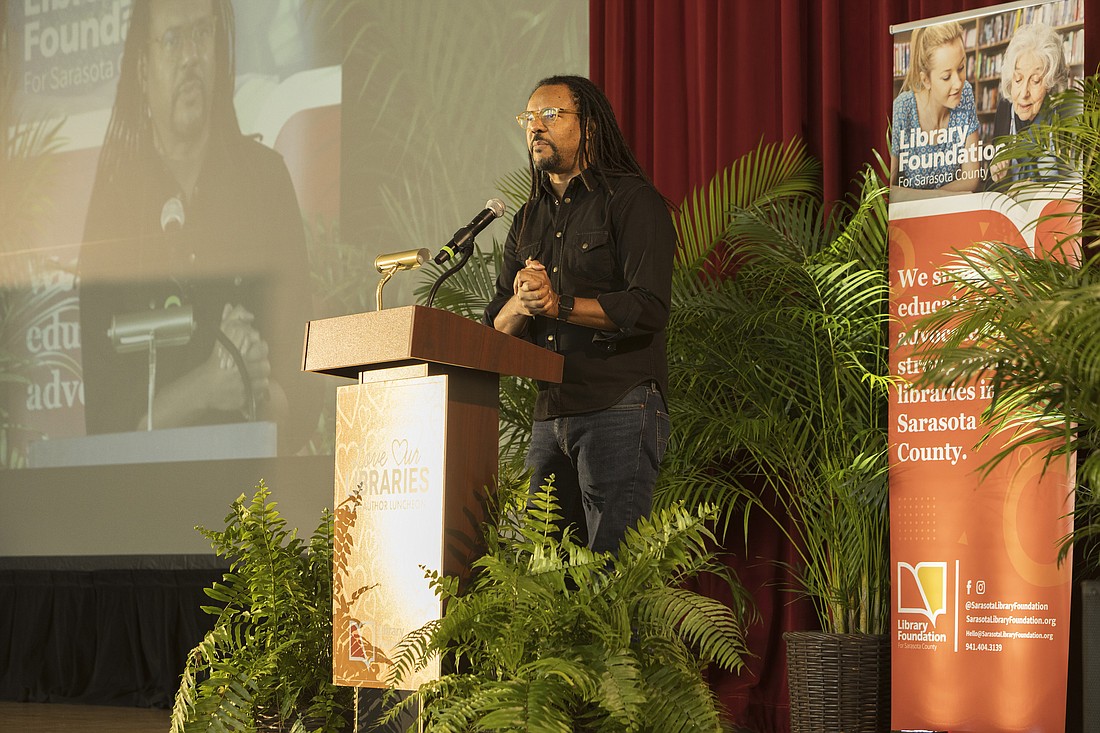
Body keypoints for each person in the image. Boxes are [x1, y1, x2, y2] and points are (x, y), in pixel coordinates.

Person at [78, 0, 320, 454]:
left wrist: (256, 387)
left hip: (254, 503)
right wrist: (206, 387)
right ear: (144, 71)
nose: (191, 55)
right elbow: (105, 416)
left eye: (202, 35)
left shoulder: (265, 181)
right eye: (173, 39)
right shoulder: (115, 205)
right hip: (146, 499)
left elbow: (303, 371)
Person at [484, 74, 675, 554]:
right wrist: (520, 303)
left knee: (613, 575)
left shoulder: (633, 201)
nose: (535, 128)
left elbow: (648, 307)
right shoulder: (527, 217)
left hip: (619, 403)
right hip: (550, 414)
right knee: (546, 580)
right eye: (529, 118)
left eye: (551, 115)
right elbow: (496, 324)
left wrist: (558, 305)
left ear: (588, 126)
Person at [890, 21, 982, 192]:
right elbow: (887, 188)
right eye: (946, 77)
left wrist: (926, 199)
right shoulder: (902, 109)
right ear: (926, 80)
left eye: (961, 67)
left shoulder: (965, 93)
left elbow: (971, 178)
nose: (958, 83)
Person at [990, 22, 1071, 186]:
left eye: (1035, 81)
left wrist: (1033, 190)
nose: (1023, 93)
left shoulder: (1065, 112)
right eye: (1018, 79)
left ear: (1051, 84)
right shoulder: (1005, 108)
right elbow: (992, 184)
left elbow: (1073, 186)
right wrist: (997, 171)